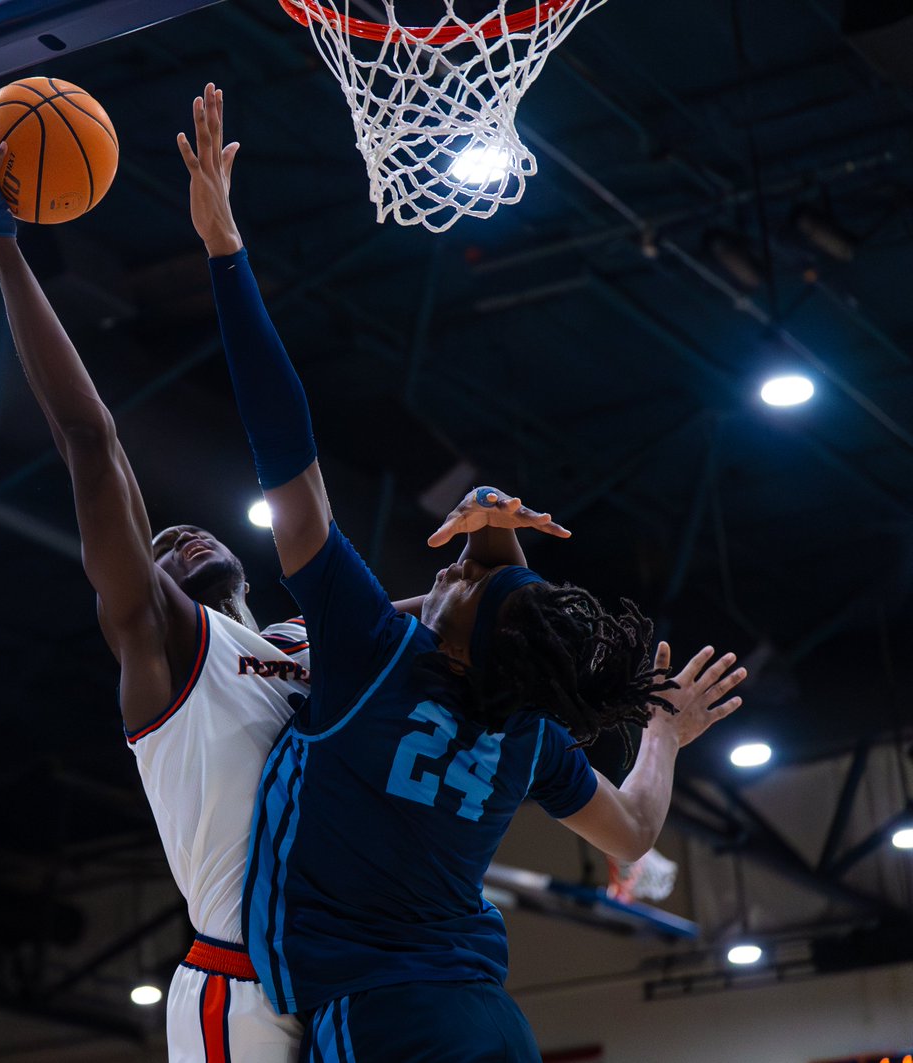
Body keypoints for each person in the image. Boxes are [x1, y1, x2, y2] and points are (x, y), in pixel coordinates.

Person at [0, 113, 567, 1062]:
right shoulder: (167, 648)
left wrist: (494, 524)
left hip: (349, 974)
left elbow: (471, 618)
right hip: (237, 985)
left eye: (184, 528)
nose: (179, 534)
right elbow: (90, 437)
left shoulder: (317, 643)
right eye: (158, 548)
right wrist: (3, 247)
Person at [179, 82, 747, 1062]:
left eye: (464, 580)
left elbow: (286, 442)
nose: (452, 569)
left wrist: (226, 254)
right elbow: (633, 830)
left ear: (455, 625)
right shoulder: (526, 730)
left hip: (387, 1019)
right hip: (484, 1018)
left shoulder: (376, 657)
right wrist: (660, 735)